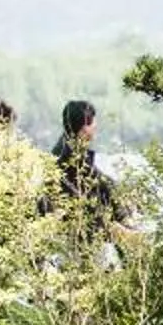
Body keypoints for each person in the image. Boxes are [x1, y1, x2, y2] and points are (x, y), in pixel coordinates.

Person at [47, 99, 118, 234]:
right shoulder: (69, 154)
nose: (95, 125)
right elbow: (97, 182)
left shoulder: (69, 145)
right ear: (82, 127)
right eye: (91, 122)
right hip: (76, 219)